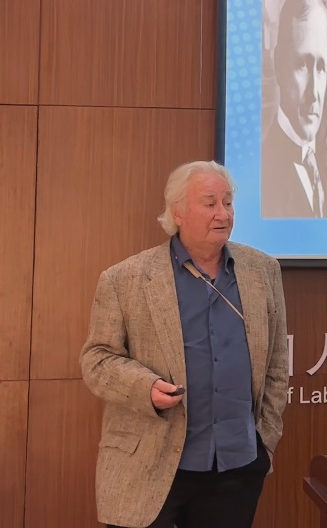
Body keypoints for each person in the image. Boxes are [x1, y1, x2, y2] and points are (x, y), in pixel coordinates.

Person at [81, 161, 288, 528]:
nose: (223, 214)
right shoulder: (126, 278)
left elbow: (276, 362)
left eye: (228, 202)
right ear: (177, 212)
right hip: (148, 463)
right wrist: (145, 388)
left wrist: (265, 440)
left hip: (235, 467)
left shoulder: (262, 271)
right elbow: (97, 359)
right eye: (210, 203)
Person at [262, 0, 327, 218]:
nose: (314, 92)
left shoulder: (316, 158)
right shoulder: (266, 175)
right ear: (279, 66)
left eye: (321, 67)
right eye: (302, 65)